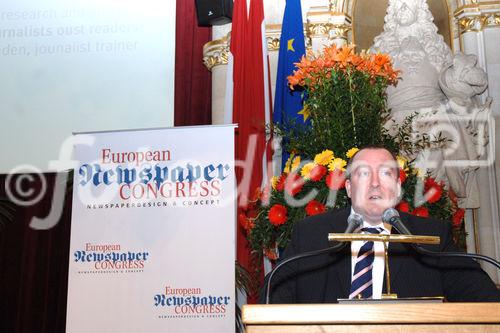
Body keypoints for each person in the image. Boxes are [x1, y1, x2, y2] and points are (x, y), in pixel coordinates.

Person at [263, 146, 500, 303]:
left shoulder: (430, 237)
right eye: (364, 174)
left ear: (397, 187)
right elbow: (271, 296)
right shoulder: (311, 235)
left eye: (385, 174)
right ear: (348, 188)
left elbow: (486, 300)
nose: (375, 183)